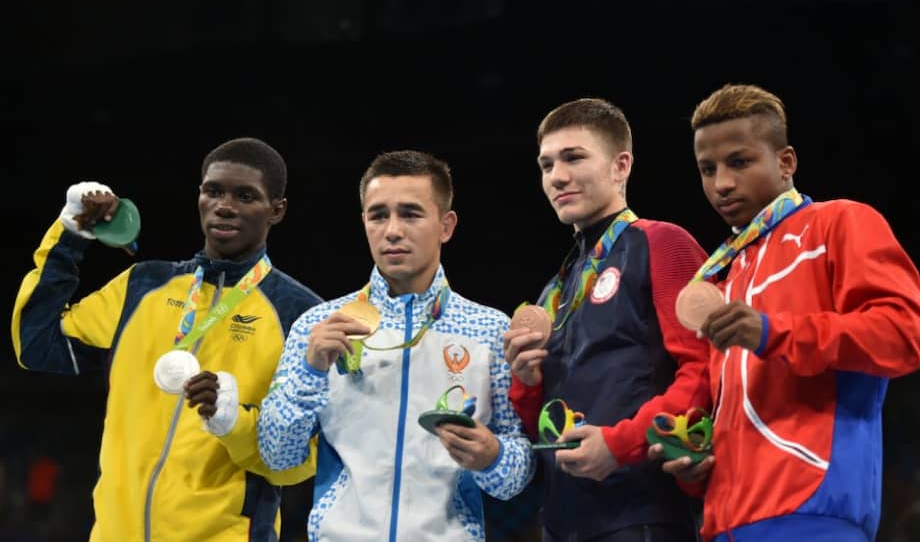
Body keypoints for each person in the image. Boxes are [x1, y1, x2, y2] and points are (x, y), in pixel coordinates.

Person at [11, 137, 322, 541]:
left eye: (245, 196)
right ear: (199, 197)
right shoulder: (142, 286)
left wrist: (234, 423)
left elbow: (301, 459)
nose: (224, 205)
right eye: (213, 191)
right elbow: (37, 344)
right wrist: (71, 235)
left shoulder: (299, 315)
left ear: (276, 210)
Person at [651, 83, 920, 541]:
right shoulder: (722, 274)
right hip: (724, 524)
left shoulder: (841, 223)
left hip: (813, 510)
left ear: (786, 162)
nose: (722, 184)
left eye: (739, 162)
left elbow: (902, 334)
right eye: (707, 169)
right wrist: (696, 466)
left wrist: (774, 332)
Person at [258, 149, 535, 542]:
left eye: (410, 213)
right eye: (378, 215)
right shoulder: (319, 327)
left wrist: (493, 457)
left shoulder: (489, 330)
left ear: (446, 225)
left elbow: (516, 477)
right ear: (364, 223)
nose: (392, 230)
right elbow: (276, 455)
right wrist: (310, 370)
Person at [504, 98, 711, 541]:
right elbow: (538, 422)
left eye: (574, 157)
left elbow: (705, 370)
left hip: (641, 513)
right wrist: (526, 383)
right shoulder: (554, 290)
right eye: (546, 164)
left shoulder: (662, 242)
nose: (556, 176)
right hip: (561, 522)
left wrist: (621, 446)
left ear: (621, 166)